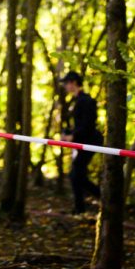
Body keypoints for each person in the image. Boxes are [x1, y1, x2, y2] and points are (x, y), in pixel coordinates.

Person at [60, 71, 102, 214]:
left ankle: (103, 197)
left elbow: (87, 125)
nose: (65, 86)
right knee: (76, 175)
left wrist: (73, 136)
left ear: (73, 82)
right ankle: (80, 208)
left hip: (89, 142)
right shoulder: (78, 100)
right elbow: (80, 125)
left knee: (77, 175)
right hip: (82, 142)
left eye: (66, 83)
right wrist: (69, 134)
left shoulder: (86, 100)